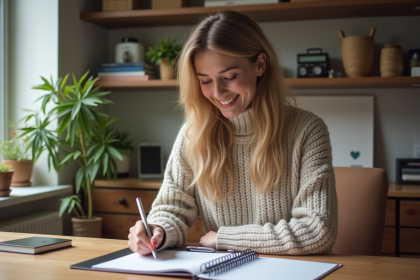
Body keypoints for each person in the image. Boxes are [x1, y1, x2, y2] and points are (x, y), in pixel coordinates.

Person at [128, 10, 338, 256]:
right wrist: (157, 230)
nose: (218, 92)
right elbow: (172, 209)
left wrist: (226, 238)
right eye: (205, 81)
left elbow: (318, 230)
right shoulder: (193, 135)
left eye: (229, 76)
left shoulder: (308, 131)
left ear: (260, 65)